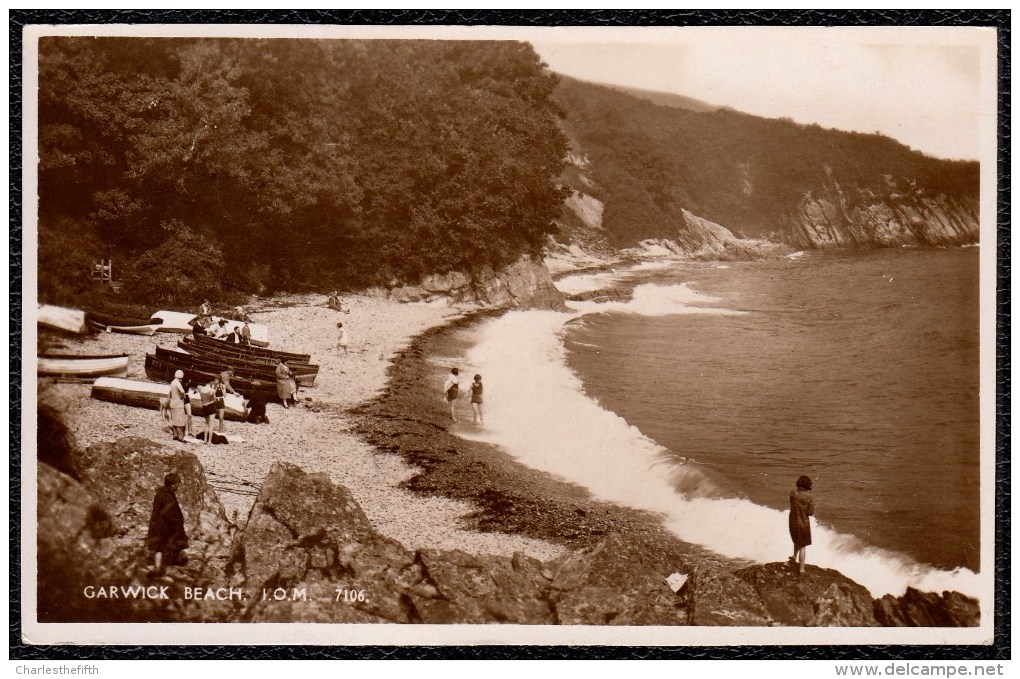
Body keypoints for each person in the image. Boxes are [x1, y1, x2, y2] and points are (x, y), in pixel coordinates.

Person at [147, 472, 189, 576]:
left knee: (158, 548)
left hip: (156, 525)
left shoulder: (160, 494)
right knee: (176, 540)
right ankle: (174, 560)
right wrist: (177, 526)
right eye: (178, 484)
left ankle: (158, 567)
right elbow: (170, 514)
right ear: (173, 484)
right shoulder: (168, 496)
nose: (178, 487)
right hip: (164, 526)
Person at [789, 475, 815, 574]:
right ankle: (801, 569)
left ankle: (794, 557)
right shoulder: (810, 497)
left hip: (793, 521)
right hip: (803, 522)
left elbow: (792, 506)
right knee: (802, 546)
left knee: (796, 540)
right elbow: (810, 513)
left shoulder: (792, 493)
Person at [167, 370, 188, 442]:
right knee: (179, 421)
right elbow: (182, 391)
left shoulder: (172, 382)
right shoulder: (178, 383)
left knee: (174, 419)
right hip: (178, 403)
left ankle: (175, 435)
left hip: (173, 403)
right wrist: (183, 396)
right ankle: (180, 436)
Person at [196, 379, 216, 444]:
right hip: (211, 406)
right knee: (211, 424)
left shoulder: (201, 389)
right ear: (210, 382)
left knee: (206, 424)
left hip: (204, 406)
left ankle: (205, 439)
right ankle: (209, 441)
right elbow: (214, 399)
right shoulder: (211, 390)